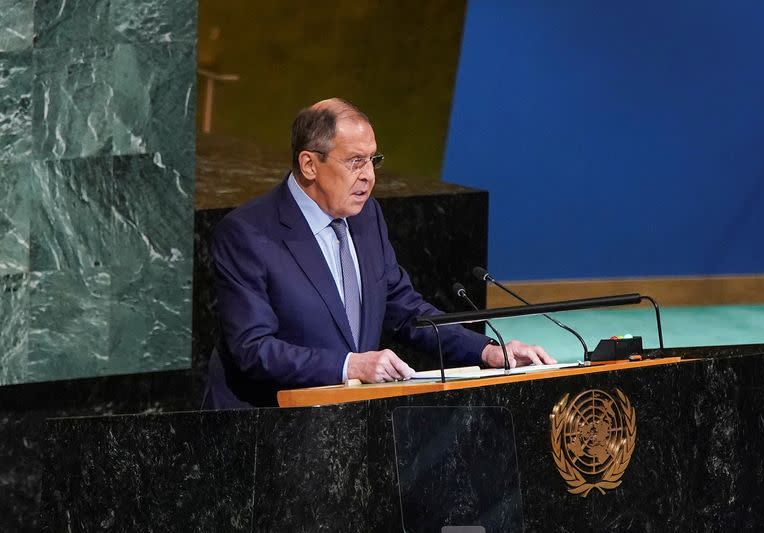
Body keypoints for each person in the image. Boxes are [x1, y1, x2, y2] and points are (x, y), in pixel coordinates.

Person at [203, 98, 554, 409]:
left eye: (373, 160)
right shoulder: (248, 234)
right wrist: (349, 365)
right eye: (356, 161)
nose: (369, 177)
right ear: (309, 164)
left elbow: (405, 310)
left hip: (348, 423)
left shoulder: (366, 216)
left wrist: (487, 351)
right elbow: (253, 349)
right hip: (264, 430)